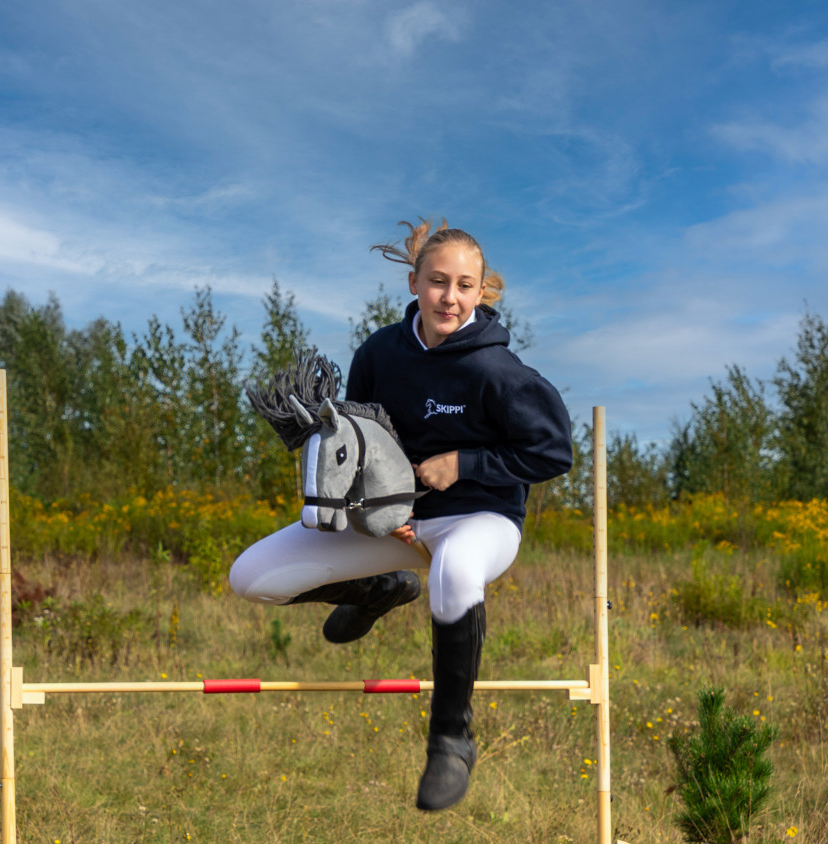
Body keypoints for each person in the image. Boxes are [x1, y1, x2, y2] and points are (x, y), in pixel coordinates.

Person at [230, 219, 572, 811]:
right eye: (437, 281)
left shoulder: (501, 372)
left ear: (480, 291)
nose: (449, 297)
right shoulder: (379, 353)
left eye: (464, 285)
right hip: (396, 524)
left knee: (455, 567)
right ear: (414, 283)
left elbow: (553, 453)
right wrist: (376, 512)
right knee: (252, 577)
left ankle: (451, 741)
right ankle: (379, 591)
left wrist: (463, 464)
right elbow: (361, 442)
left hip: (480, 521)